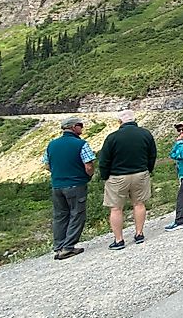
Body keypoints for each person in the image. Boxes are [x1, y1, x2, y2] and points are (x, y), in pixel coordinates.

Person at [99, 110, 157, 250]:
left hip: (117, 176)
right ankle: (139, 234)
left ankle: (119, 240)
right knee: (139, 204)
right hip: (140, 173)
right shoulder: (145, 134)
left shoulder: (112, 137)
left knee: (116, 208)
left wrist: (105, 175)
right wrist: (148, 169)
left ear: (120, 122)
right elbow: (152, 154)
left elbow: (104, 160)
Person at [42, 116, 95, 260]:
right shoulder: (81, 144)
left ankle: (58, 246)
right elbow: (89, 165)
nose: (82, 128)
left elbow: (46, 164)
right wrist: (88, 176)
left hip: (57, 185)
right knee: (77, 214)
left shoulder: (51, 144)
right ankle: (68, 247)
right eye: (80, 125)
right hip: (75, 184)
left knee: (60, 216)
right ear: (73, 127)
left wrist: (58, 173)